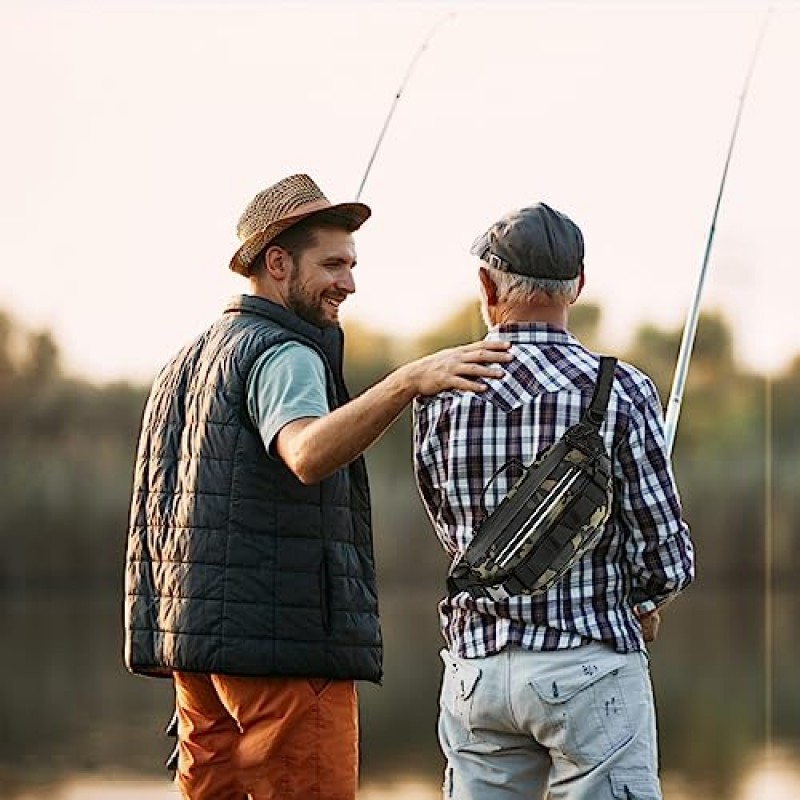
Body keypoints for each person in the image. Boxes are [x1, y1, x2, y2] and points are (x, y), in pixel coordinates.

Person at [123, 173, 511, 800]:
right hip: (283, 653)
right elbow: (304, 453)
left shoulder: (184, 363)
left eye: (352, 265)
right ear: (277, 264)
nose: (349, 283)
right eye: (332, 264)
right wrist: (407, 382)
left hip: (196, 655)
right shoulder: (285, 354)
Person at [413, 202, 695, 799]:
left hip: (477, 673)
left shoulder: (437, 396)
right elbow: (667, 557)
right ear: (578, 286)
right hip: (589, 665)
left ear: (487, 286)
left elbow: (452, 531)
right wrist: (641, 604)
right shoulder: (621, 390)